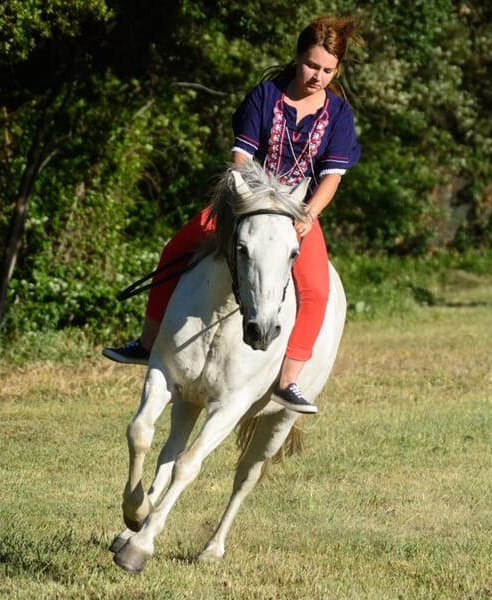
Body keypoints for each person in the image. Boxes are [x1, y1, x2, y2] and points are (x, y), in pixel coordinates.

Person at [102, 16, 361, 415]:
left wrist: (309, 213)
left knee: (317, 290)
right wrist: (245, 199)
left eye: (327, 70)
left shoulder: (339, 115)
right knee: (175, 248)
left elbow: (332, 177)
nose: (318, 77)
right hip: (244, 202)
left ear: (336, 70)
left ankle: (288, 381)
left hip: (297, 212)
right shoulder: (265, 96)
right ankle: (148, 343)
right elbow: (242, 156)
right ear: (297, 58)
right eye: (312, 65)